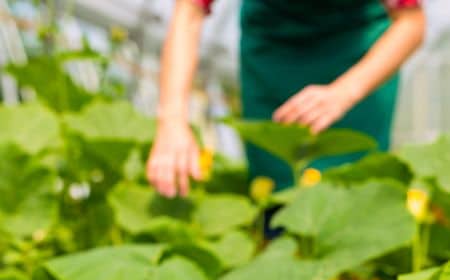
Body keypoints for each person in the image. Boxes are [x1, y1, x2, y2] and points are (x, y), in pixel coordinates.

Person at [147, 0, 425, 197]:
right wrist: (171, 122)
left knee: (358, 193)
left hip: (357, 56)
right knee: (278, 188)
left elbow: (411, 23)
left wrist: (344, 92)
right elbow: (189, 12)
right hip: (274, 54)